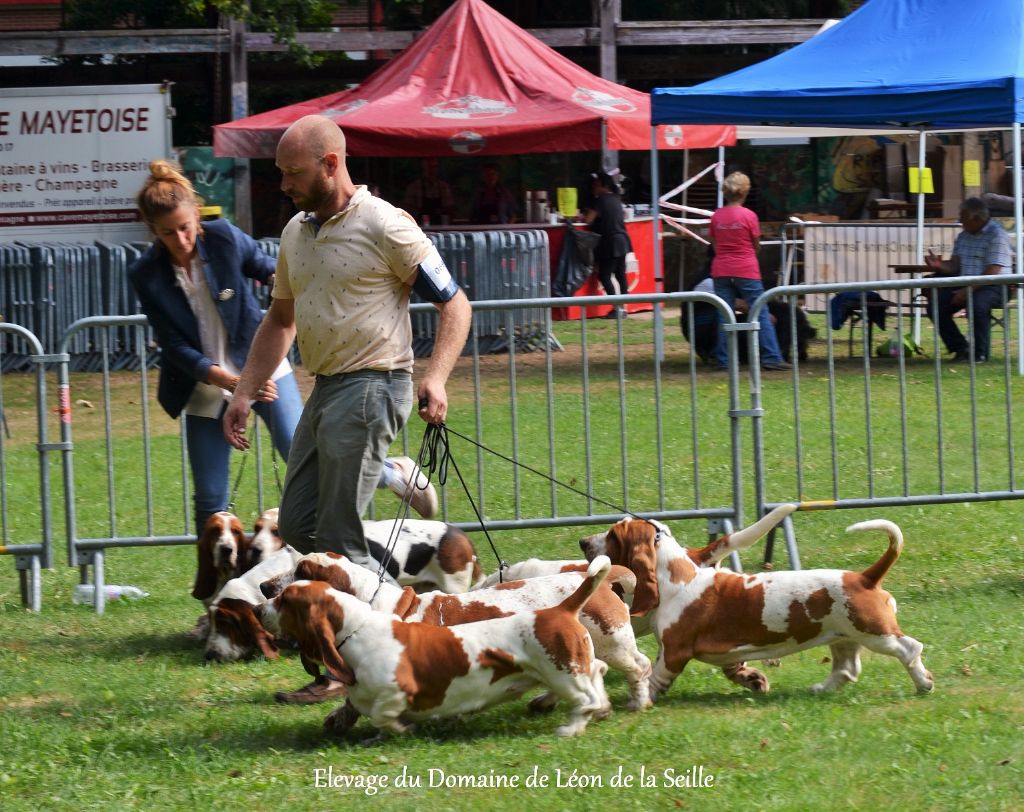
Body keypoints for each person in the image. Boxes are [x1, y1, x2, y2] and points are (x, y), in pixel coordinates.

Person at [222, 115, 472, 704]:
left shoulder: (387, 225)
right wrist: (242, 390)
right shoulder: (293, 233)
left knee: (338, 538)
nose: (282, 183)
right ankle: (367, 654)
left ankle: (361, 668)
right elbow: (280, 321)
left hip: (375, 384)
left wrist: (434, 377)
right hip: (327, 386)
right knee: (303, 526)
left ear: (331, 164)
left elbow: (454, 303)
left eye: (292, 172)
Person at [129, 162, 439, 539]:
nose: (180, 240)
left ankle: (394, 473)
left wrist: (295, 283)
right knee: (209, 498)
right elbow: (174, 345)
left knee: (303, 453)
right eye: (167, 234)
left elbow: (269, 268)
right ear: (153, 232)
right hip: (206, 385)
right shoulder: (146, 274)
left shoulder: (224, 237)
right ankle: (215, 595)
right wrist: (228, 381)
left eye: (185, 227)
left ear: (196, 214)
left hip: (263, 367)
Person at [709, 171, 791, 371]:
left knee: (724, 314)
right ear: (745, 192)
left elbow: (713, 244)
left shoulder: (716, 216)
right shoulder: (749, 216)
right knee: (760, 311)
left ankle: (724, 359)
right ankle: (771, 356)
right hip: (746, 268)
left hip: (721, 268)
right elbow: (755, 244)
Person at [924, 197, 1013, 363]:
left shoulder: (997, 235)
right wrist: (939, 265)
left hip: (995, 285)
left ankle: (980, 354)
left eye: (963, 218)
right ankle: (961, 348)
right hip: (966, 283)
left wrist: (967, 292)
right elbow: (955, 266)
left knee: (977, 304)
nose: (960, 222)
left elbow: (993, 271)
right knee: (935, 306)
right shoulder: (964, 236)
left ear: (977, 219)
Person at [583, 171, 632, 319]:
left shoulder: (600, 201)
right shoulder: (616, 199)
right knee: (620, 275)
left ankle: (617, 308)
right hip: (622, 240)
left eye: (596, 184)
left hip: (610, 243)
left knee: (604, 275)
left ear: (604, 185)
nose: (594, 187)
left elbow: (588, 220)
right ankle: (623, 308)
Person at [403, 157, 454, 226]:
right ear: (423, 168)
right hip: (419, 227)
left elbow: (449, 209)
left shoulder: (443, 187)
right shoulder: (414, 187)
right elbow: (408, 211)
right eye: (428, 167)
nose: (431, 170)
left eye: (434, 167)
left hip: (441, 227)